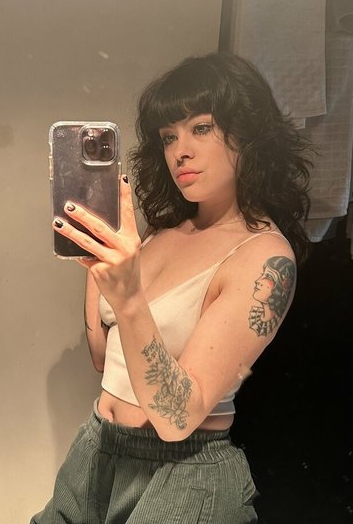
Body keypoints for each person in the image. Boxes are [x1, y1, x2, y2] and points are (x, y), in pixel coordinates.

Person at [32, 52, 311, 523]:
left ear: (248, 132)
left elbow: (179, 417)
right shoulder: (162, 233)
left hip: (183, 474)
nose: (180, 150)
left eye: (201, 128)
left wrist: (128, 296)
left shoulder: (265, 257)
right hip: (97, 449)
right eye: (168, 136)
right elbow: (104, 358)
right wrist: (98, 261)